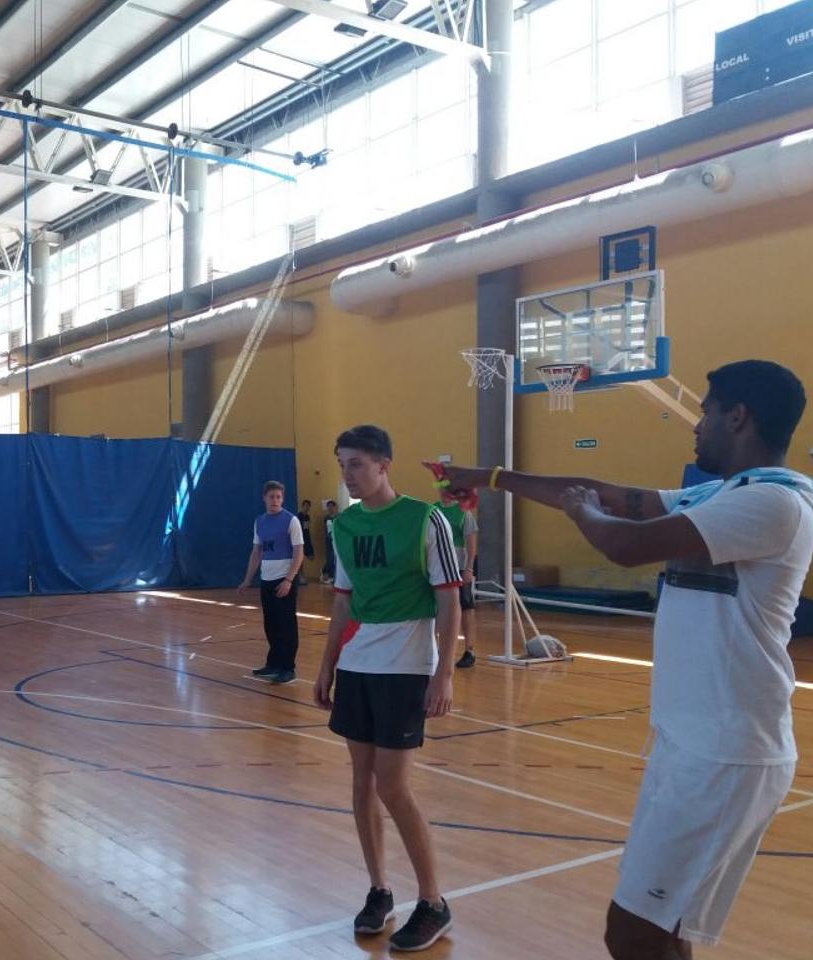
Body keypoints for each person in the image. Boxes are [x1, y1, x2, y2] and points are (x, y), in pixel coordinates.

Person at [435, 360, 812, 959]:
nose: (697, 425)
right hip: (687, 742)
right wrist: (489, 476)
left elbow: (625, 542)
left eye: (706, 409)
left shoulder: (776, 504)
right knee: (666, 927)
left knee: (632, 932)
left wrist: (586, 512)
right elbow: (605, 493)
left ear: (738, 416)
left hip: (727, 752)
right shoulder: (721, 492)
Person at [314, 425, 460, 952]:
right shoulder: (344, 526)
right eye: (342, 463)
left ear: (383, 465)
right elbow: (342, 602)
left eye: (355, 464)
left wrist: (444, 671)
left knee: (393, 787)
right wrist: (327, 665)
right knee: (360, 784)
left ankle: (433, 902)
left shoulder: (426, 519)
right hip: (357, 663)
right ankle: (379, 890)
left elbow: (448, 599)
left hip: (406, 665)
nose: (347, 474)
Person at [239, 481, 304, 684]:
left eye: (278, 497)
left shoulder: (291, 521)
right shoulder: (260, 522)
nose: (275, 500)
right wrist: (248, 579)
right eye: (271, 497)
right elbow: (256, 552)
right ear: (264, 498)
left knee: (286, 624)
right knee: (271, 624)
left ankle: (288, 667)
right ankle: (274, 663)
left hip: (284, 580)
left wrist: (289, 579)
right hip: (266, 579)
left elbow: (299, 551)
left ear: (282, 499)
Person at [432, 498, 479, 668]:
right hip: (439, 566)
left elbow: (471, 541)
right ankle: (435, 648)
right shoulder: (433, 509)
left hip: (459, 566)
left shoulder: (463, 511)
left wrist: (469, 568)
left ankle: (470, 651)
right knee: (438, 607)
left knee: (466, 606)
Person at [296, 500, 314, 585]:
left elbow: (306, 530)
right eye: (305, 505)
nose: (307, 507)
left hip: (305, 540)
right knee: (299, 559)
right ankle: (300, 577)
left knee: (305, 558)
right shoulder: (298, 516)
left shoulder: (307, 517)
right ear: (302, 506)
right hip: (298, 540)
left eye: (308, 506)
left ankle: (301, 576)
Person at [320, 499, 338, 584]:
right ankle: (327, 574)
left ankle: (329, 574)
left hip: (337, 540)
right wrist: (324, 537)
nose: (330, 508)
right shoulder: (326, 517)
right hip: (328, 540)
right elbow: (324, 529)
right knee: (329, 557)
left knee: (335, 558)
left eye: (332, 506)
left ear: (335, 507)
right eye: (328, 506)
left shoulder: (339, 517)